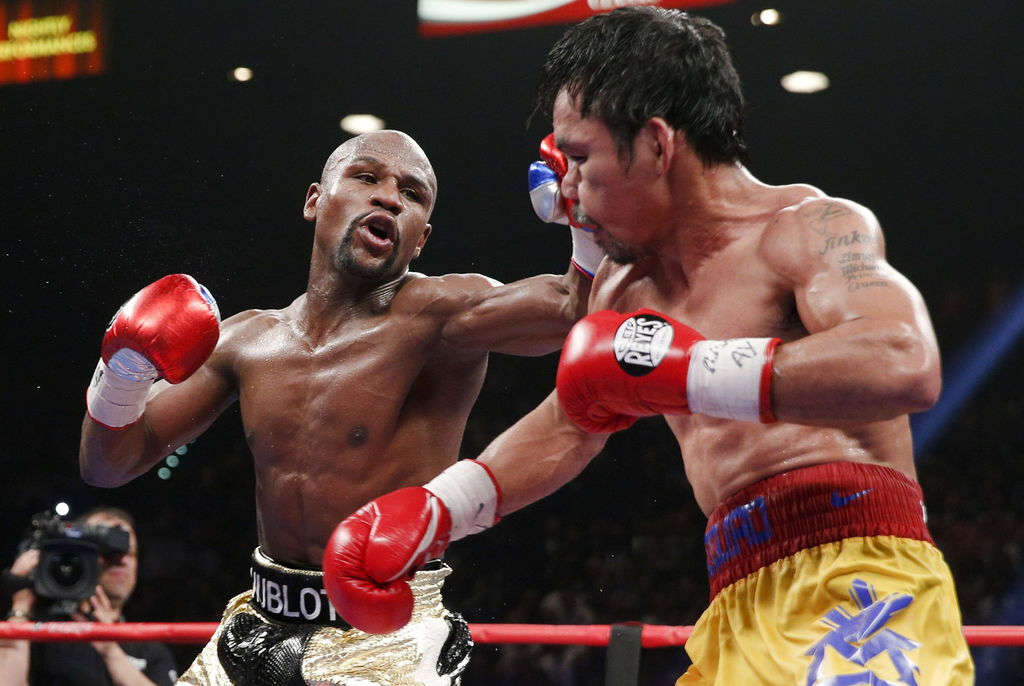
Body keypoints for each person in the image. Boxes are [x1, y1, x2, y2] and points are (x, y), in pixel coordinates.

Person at [322, 9, 975, 685]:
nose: (567, 190)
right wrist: (437, 508)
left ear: (657, 144)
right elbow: (571, 422)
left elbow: (903, 360)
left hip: (859, 579)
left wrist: (693, 372)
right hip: (736, 597)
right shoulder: (623, 287)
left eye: (581, 158)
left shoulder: (806, 228)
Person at [78, 129, 595, 685]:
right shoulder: (246, 342)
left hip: (388, 636)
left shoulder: (441, 315)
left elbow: (575, 307)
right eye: (366, 177)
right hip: (257, 623)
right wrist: (122, 375)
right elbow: (108, 465)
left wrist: (587, 221)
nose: (389, 197)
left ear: (420, 239)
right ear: (314, 200)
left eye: (412, 194)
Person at [0, 506, 178, 686]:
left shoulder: (148, 647)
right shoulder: (43, 631)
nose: (122, 560)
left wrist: (110, 650)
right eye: (109, 551)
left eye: (130, 553)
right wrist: (20, 606)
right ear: (78, 552)